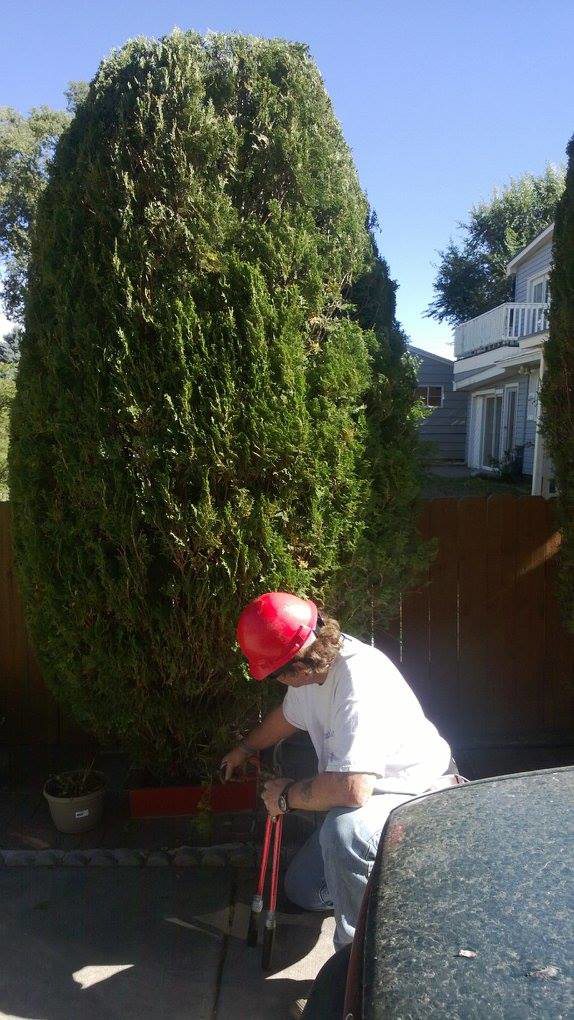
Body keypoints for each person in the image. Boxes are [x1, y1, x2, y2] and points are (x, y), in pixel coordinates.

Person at [222, 591, 454, 956]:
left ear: (294, 668)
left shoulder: (359, 679)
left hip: (421, 795)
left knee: (345, 832)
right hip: (372, 796)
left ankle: (358, 962)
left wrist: (285, 796)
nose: (276, 682)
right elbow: (286, 718)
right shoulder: (314, 667)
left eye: (275, 675)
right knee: (303, 889)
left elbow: (352, 788)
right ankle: (383, 886)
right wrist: (246, 748)